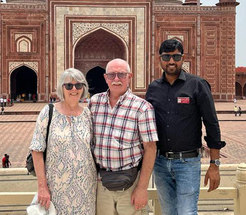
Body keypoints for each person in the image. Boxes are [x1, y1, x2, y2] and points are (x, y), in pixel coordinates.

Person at [146, 39, 226, 215]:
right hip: (160, 162)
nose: (171, 61)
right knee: (168, 212)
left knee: (187, 212)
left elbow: (212, 124)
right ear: (159, 58)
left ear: (183, 58)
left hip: (187, 163)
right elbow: (145, 126)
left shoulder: (197, 84)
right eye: (167, 56)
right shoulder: (153, 88)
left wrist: (215, 164)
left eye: (176, 56)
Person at [90, 58, 158, 215]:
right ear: (105, 78)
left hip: (130, 184)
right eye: (112, 75)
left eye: (121, 74)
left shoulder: (142, 107)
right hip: (101, 184)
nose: (116, 79)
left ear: (130, 76)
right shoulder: (95, 103)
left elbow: (150, 148)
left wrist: (142, 188)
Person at [30, 68, 96, 214]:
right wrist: (42, 187)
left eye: (78, 85)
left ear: (83, 89)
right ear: (62, 88)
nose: (74, 89)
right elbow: (37, 150)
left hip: (85, 190)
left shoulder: (88, 115)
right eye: (69, 85)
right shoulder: (48, 112)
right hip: (56, 189)